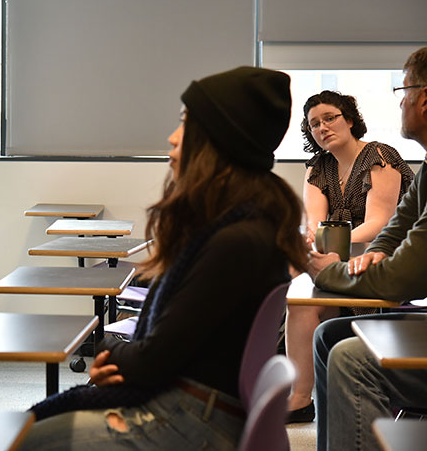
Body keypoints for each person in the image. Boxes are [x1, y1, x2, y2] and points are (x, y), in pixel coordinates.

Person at [19, 66, 308, 450]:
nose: (172, 139)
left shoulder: (236, 242)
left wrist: (106, 345)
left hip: (188, 420)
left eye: (185, 125)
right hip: (194, 409)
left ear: (218, 143)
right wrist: (122, 358)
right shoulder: (244, 229)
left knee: (21, 440)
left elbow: (152, 361)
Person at [309, 46, 427, 451]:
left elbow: (400, 277)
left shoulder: (379, 155)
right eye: (315, 123)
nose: (400, 100)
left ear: (423, 100)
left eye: (404, 89)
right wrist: (370, 252)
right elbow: (395, 232)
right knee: (330, 336)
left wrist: (326, 269)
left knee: (351, 359)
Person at [285, 91, 413, 423]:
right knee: (300, 301)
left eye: (330, 118)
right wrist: (317, 242)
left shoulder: (379, 154)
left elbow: (379, 224)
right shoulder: (319, 167)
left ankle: (343, 395)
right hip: (338, 261)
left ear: (350, 119)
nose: (322, 127)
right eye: (314, 124)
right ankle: (301, 399)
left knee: (315, 301)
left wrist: (332, 244)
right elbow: (314, 224)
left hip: (382, 261)